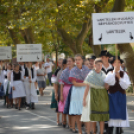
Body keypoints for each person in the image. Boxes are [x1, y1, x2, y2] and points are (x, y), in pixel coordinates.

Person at [81, 58, 109, 134]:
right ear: (94, 65)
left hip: (103, 96)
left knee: (102, 116)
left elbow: (107, 87)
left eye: (101, 65)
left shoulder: (104, 75)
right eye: (98, 65)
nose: (100, 66)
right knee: (94, 116)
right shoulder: (90, 75)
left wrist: (108, 84)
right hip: (93, 95)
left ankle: (101, 132)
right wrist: (84, 99)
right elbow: (87, 88)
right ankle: (94, 131)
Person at [104, 56, 131, 134]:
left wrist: (119, 77)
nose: (117, 64)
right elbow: (108, 83)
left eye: (118, 62)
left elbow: (125, 86)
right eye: (115, 62)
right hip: (112, 96)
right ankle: (110, 130)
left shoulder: (124, 74)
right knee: (112, 114)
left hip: (121, 96)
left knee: (120, 114)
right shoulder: (110, 73)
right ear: (112, 64)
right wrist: (114, 74)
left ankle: (119, 130)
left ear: (120, 64)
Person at [68, 54, 90, 134]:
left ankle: (88, 131)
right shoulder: (73, 70)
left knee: (86, 111)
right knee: (78, 113)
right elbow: (74, 83)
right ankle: (80, 131)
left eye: (79, 59)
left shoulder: (86, 69)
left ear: (82, 60)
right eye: (76, 59)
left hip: (85, 91)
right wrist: (85, 83)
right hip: (77, 92)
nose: (77, 61)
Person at [59, 57, 75, 131]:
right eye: (68, 61)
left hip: (75, 89)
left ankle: (72, 124)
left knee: (74, 107)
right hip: (66, 90)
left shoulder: (77, 71)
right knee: (68, 106)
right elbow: (61, 84)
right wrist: (61, 94)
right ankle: (69, 123)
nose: (69, 62)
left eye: (70, 61)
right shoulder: (64, 72)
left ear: (73, 62)